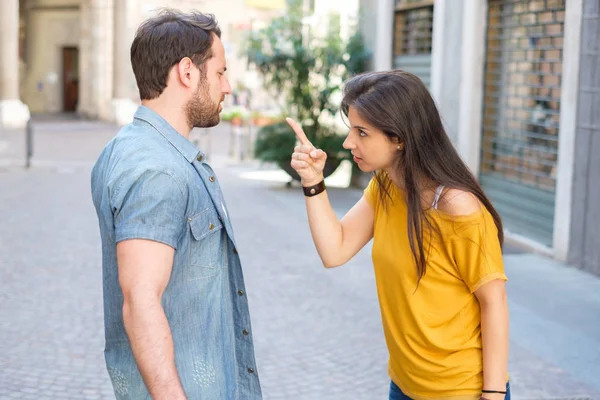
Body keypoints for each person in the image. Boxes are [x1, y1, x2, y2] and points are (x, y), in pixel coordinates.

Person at [286, 70, 510, 400]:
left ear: (400, 138)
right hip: (404, 385)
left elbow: (494, 304)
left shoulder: (459, 209)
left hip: (459, 391)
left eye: (362, 133)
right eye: (351, 130)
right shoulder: (387, 186)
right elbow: (335, 251)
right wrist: (312, 181)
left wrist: (491, 396)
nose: (349, 143)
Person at [91, 9, 262, 400]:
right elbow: (140, 300)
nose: (228, 86)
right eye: (220, 72)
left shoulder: (126, 148)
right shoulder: (158, 170)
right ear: (187, 72)